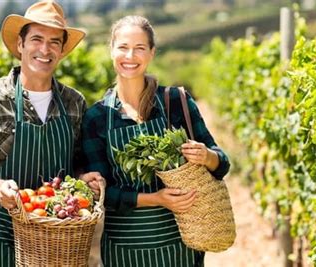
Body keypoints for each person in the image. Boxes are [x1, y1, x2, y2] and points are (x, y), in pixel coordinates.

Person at [0, 1, 102, 265]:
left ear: (62, 50)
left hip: (56, 246)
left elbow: (76, 164)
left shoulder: (74, 103)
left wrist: (85, 179)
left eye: (54, 42)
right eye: (37, 39)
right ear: (21, 44)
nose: (45, 49)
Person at [81, 15, 230, 266]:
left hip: (180, 247)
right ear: (111, 51)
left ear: (152, 53)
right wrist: (156, 199)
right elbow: (104, 192)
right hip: (125, 249)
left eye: (140, 48)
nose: (130, 56)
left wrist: (207, 156)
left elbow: (222, 165)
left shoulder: (175, 102)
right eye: (123, 47)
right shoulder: (97, 117)